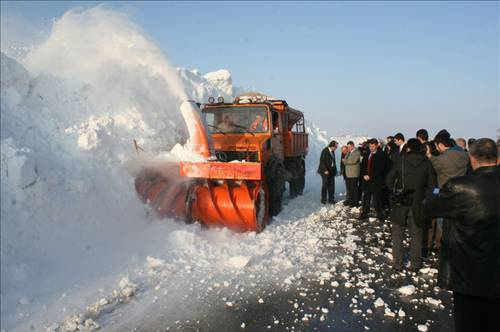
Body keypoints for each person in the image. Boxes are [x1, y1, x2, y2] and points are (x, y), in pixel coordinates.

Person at [423, 138, 500, 332]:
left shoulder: (461, 186)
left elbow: (430, 208)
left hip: (468, 268)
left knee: (468, 320)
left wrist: (433, 191)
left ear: (472, 159)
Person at [386, 139, 436, 271]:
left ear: (408, 148)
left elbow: (389, 179)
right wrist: (428, 198)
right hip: (418, 204)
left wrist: (394, 192)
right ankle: (415, 265)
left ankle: (398, 263)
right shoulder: (427, 163)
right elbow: (434, 187)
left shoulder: (401, 160)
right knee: (417, 235)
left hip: (401, 202)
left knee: (397, 234)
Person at [358, 138, 389, 221]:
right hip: (366, 181)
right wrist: (364, 174)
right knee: (366, 198)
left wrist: (370, 176)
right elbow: (363, 166)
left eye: (372, 146)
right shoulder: (367, 154)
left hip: (376, 181)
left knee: (377, 199)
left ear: (376, 145)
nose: (371, 148)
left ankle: (380, 215)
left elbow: (381, 168)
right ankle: (364, 213)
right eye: (370, 146)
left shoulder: (382, 155)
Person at [342, 141, 361, 207]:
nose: (348, 148)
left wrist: (345, 161)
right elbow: (345, 159)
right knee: (350, 189)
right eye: (348, 147)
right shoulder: (349, 152)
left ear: (352, 146)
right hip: (348, 174)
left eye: (349, 147)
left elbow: (353, 161)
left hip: (354, 174)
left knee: (354, 189)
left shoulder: (357, 152)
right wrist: (345, 160)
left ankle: (355, 202)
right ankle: (350, 201)